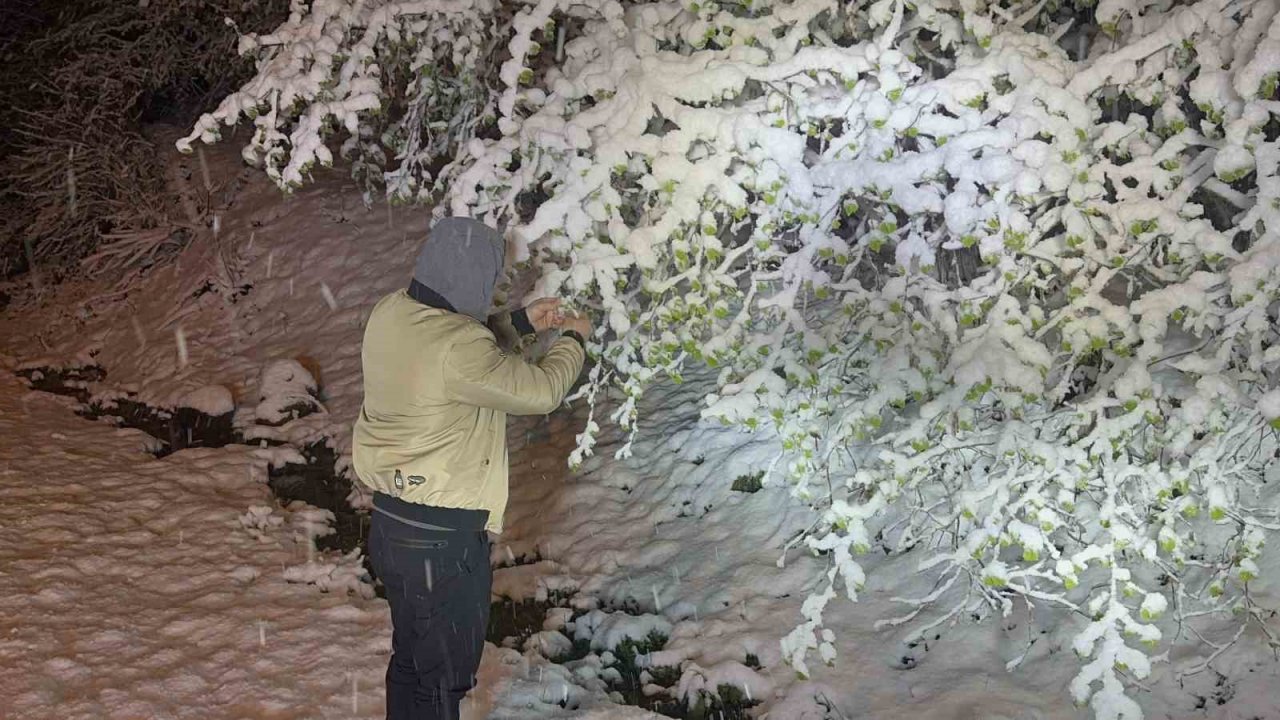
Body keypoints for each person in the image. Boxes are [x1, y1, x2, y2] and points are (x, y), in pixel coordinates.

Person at [352, 216, 589, 720]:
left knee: (412, 664)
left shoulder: (390, 312)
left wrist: (523, 322)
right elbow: (539, 391)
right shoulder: (460, 346)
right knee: (443, 681)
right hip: (444, 539)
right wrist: (573, 338)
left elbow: (461, 347)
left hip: (393, 528)